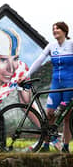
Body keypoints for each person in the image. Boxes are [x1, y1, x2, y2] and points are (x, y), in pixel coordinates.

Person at [25, 22, 73, 153]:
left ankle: (65, 146)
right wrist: (27, 75)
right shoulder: (51, 46)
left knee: (67, 116)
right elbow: (39, 60)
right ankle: (46, 145)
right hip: (55, 84)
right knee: (50, 114)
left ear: (64, 31)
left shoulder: (71, 44)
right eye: (53, 29)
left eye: (57, 28)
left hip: (69, 84)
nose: (55, 30)